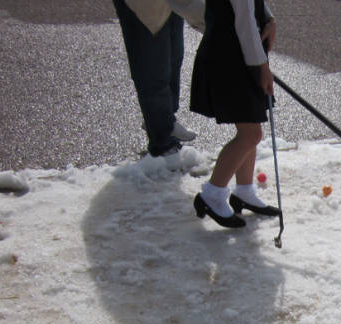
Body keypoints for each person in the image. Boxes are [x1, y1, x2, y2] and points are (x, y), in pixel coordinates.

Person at [189, 0, 281, 228]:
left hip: (241, 53)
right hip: (231, 57)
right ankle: (212, 194)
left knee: (251, 124)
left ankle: (244, 192)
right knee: (250, 135)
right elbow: (244, 22)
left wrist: (269, 19)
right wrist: (261, 66)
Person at [113, 0, 203, 157]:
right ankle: (162, 144)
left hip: (169, 6)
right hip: (143, 7)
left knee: (174, 58)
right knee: (153, 72)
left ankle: (165, 119)